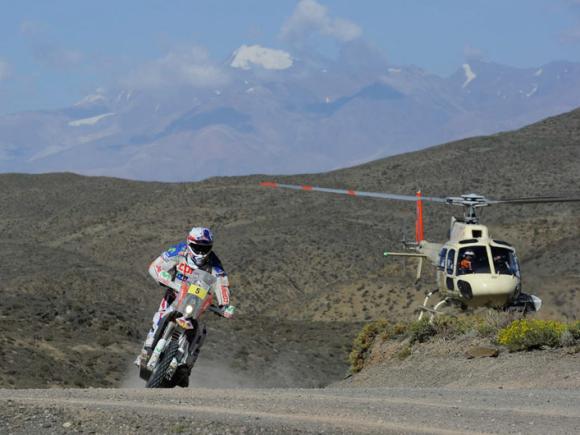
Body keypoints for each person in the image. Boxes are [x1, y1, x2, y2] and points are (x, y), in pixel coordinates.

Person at [135, 227, 232, 372]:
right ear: (189, 243)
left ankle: (187, 365)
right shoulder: (179, 251)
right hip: (175, 292)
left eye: (204, 248)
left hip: (197, 302)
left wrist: (225, 304)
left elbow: (222, 282)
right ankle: (146, 349)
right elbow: (156, 266)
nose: (200, 252)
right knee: (160, 315)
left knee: (201, 331)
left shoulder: (214, 263)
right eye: (197, 247)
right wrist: (163, 275)